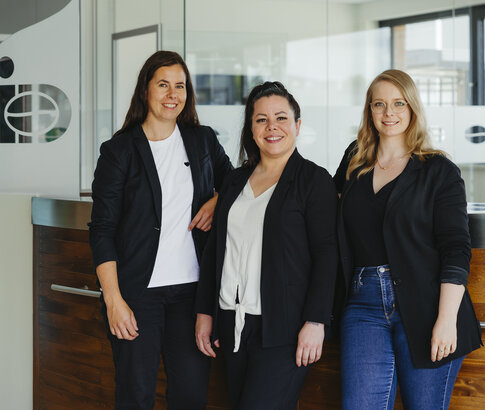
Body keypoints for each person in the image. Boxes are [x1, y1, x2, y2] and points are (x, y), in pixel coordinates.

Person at [89, 50, 233, 409]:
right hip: (137, 295)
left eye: (180, 86)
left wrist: (216, 199)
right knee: (135, 397)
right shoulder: (119, 150)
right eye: (163, 84)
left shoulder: (201, 140)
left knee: (190, 396)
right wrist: (113, 300)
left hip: (191, 295)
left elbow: (236, 182)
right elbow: (102, 229)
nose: (173, 94)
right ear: (146, 91)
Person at [334, 69, 482, 410]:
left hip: (427, 305)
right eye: (379, 104)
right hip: (362, 305)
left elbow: (456, 249)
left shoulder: (438, 170)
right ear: (369, 111)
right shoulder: (354, 161)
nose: (389, 113)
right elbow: (317, 204)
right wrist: (225, 193)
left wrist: (446, 320)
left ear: (412, 107)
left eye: (399, 103)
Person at [194, 81, 338, 410]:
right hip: (232, 323)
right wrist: (206, 312)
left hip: (284, 329)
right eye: (261, 119)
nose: (271, 127)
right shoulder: (233, 182)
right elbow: (216, 251)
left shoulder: (314, 181)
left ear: (297, 126)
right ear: (251, 129)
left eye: (281, 118)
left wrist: (316, 322)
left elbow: (327, 255)